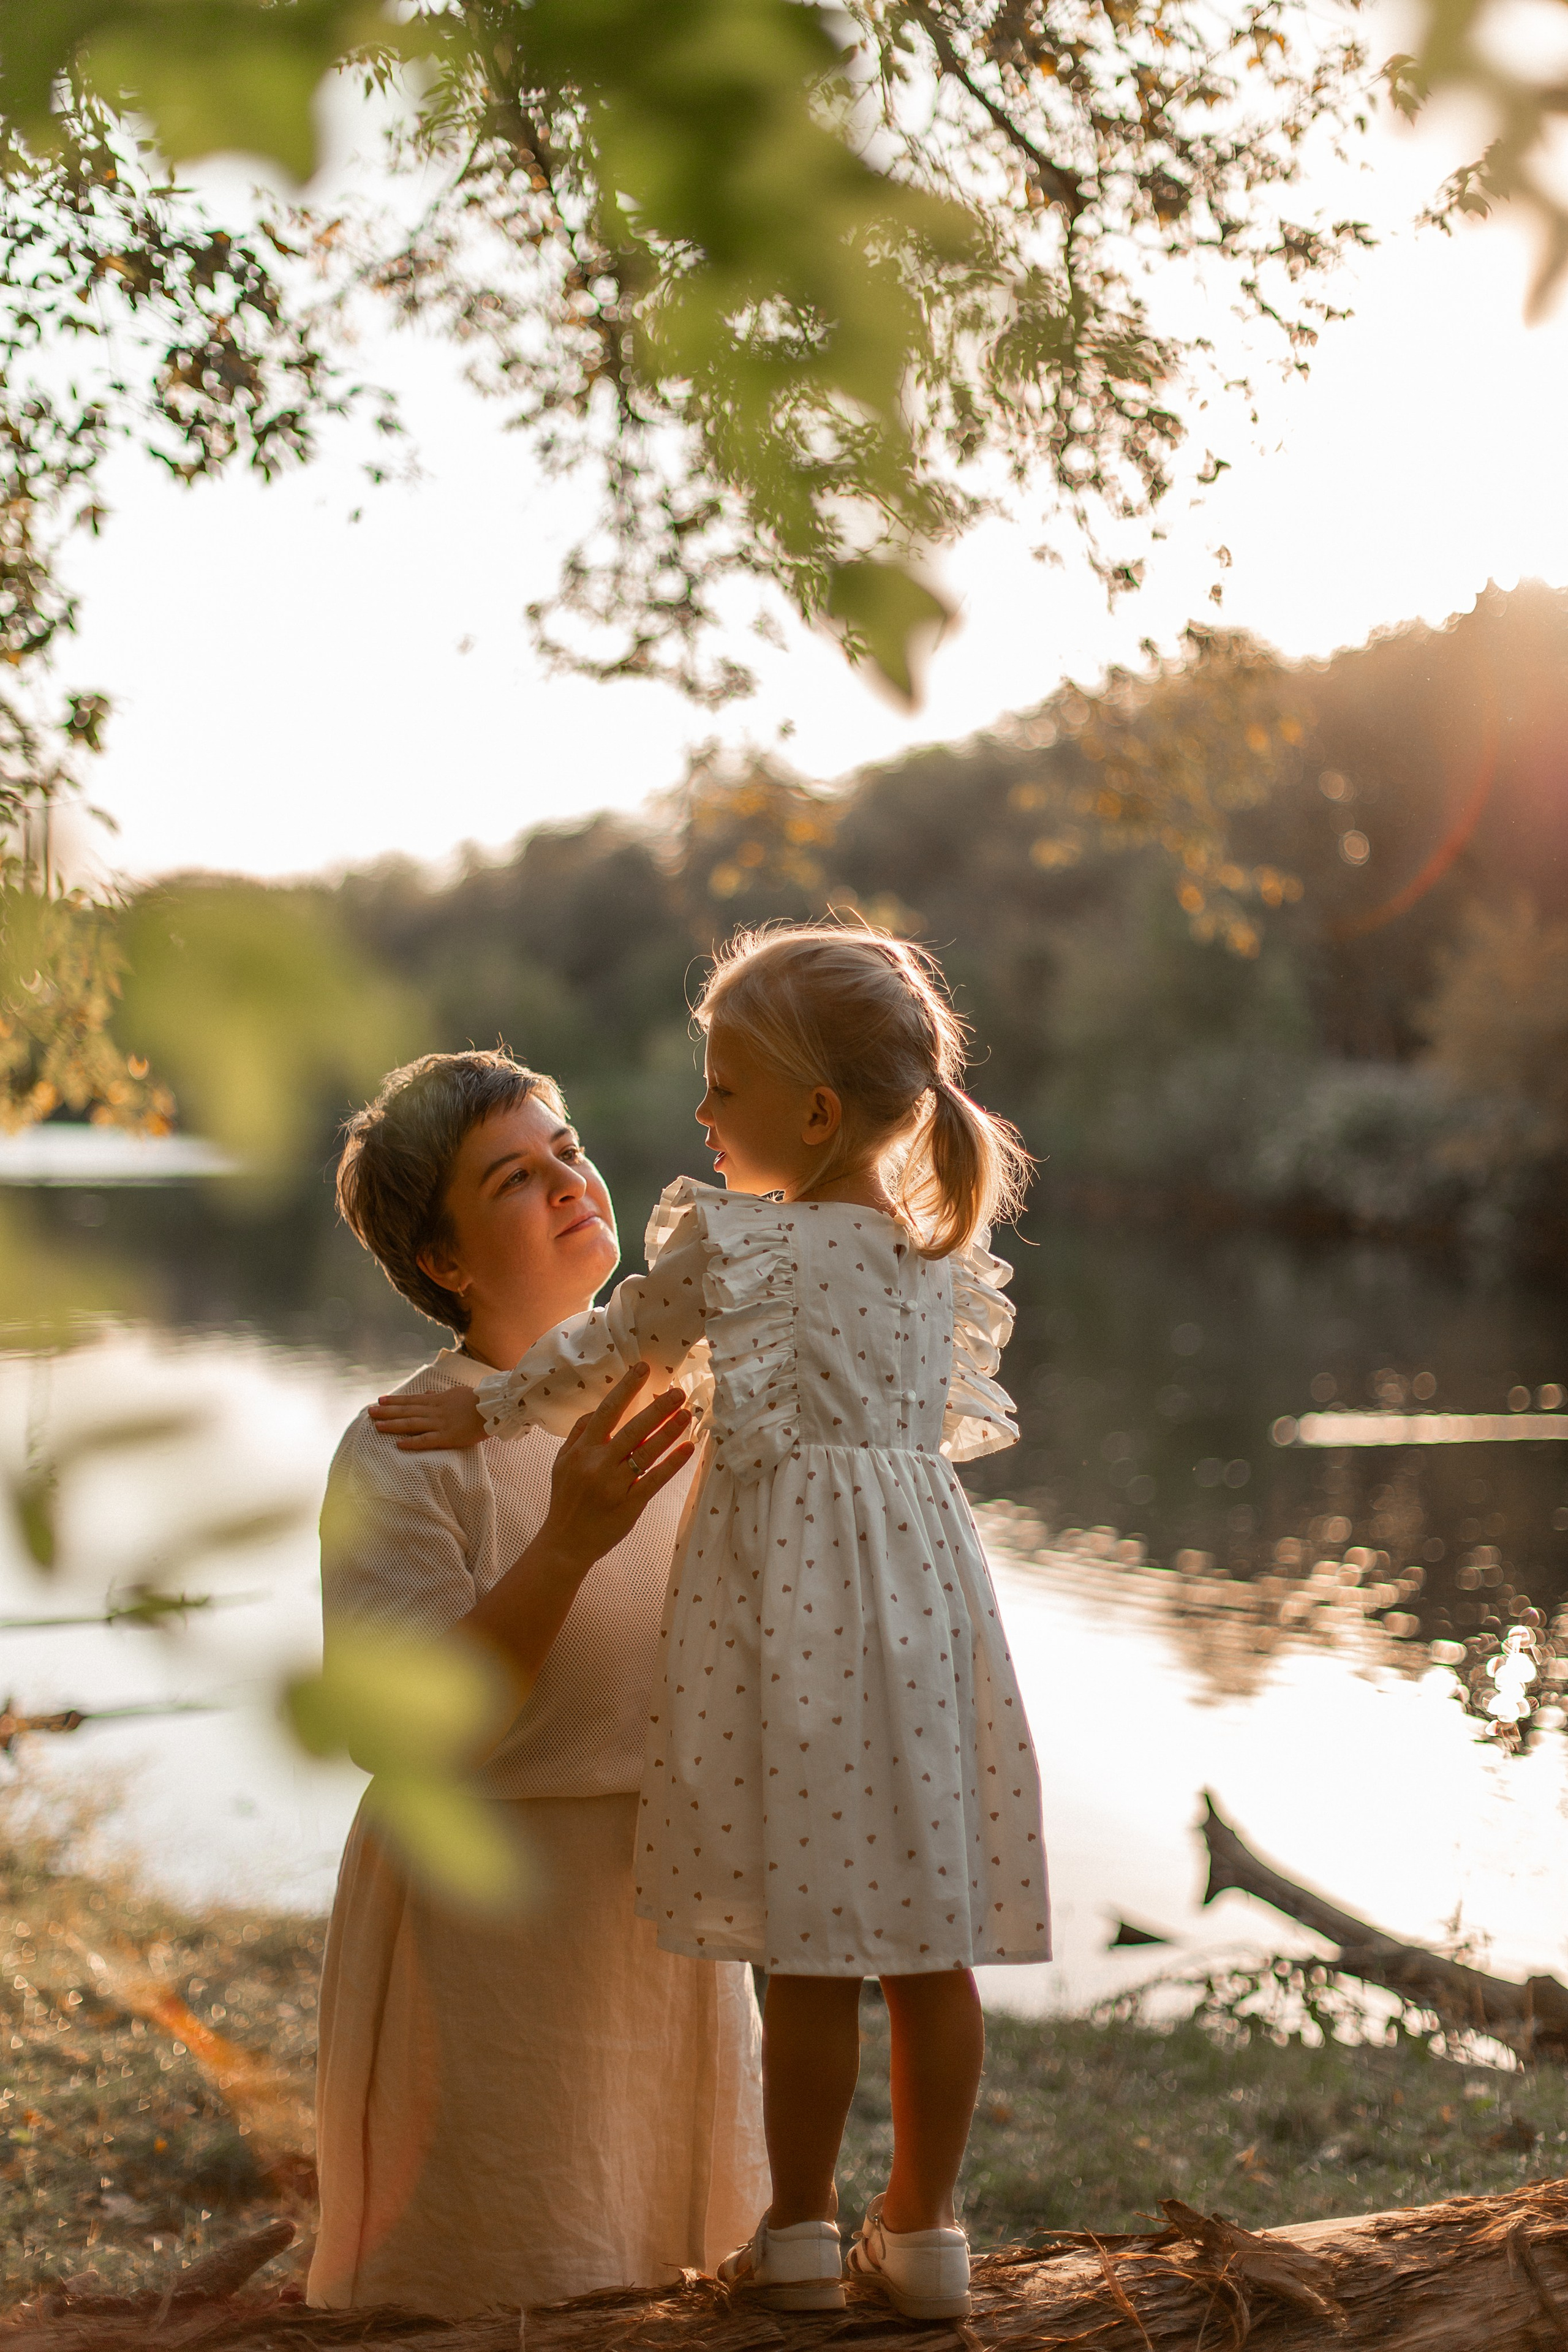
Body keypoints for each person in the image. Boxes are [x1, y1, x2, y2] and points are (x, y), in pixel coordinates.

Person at [370, 928, 1048, 2323]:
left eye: (720, 1086)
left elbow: (607, 1348)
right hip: (923, 1620)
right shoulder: (936, 1262)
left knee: (803, 1946)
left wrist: (486, 1407)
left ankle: (798, 2230)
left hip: (791, 1628)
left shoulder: (730, 1245)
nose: (697, 1115)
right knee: (931, 1945)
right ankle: (922, 2231)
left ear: (810, 1112)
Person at [309, 1048, 769, 2319]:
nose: (568, 1179)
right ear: (444, 1261)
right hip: (489, 1932)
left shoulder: (689, 1389)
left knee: (679, 2280)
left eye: (565, 1146)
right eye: (513, 1176)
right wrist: (567, 1540)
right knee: (510, 2279)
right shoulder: (405, 1447)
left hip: (663, 1904)